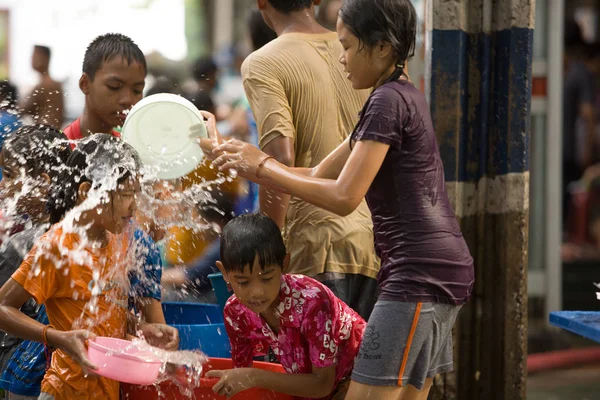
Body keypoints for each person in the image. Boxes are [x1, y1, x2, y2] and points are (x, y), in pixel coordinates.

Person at [200, 0, 475, 398]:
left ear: (381, 48)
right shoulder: (396, 95)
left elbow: (345, 196)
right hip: (430, 267)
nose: (341, 59)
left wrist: (260, 167)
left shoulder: (386, 101)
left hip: (418, 273)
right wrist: (229, 151)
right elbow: (314, 175)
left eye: (347, 46)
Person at [0, 135, 178, 400]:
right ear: (86, 192)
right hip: (64, 390)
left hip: (105, 388)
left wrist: (141, 327)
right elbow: (3, 306)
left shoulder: (119, 239)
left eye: (135, 194)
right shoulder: (57, 247)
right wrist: (57, 337)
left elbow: (100, 307)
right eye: (125, 194)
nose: (134, 206)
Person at [240, 0, 379, 320]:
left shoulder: (262, 62)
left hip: (311, 247)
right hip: (372, 243)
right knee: (359, 370)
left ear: (262, 3)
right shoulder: (361, 50)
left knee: (311, 369)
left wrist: (267, 253)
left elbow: (280, 158)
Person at [206, 214, 365, 400]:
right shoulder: (235, 312)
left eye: (267, 278)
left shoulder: (311, 301)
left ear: (284, 264)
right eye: (243, 282)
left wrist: (254, 377)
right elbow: (240, 374)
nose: (256, 292)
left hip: (361, 375)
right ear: (224, 272)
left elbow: (322, 384)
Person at [0, 126, 72, 400]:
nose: (2, 185)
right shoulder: (78, 228)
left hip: (25, 375)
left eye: (8, 175)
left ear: (42, 182)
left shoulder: (25, 244)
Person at [63, 34, 146, 143]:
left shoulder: (132, 150)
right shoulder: (60, 152)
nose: (128, 100)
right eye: (114, 86)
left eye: (137, 90)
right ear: (85, 84)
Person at [563, 20, 596, 225]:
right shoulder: (581, 73)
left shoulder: (558, 70)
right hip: (571, 149)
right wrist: (588, 150)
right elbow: (587, 114)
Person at [20, 46, 64, 128]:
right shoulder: (53, 84)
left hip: (45, 133)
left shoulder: (45, 85)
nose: (31, 60)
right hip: (53, 132)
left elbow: (22, 109)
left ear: (45, 58)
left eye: (34, 56)